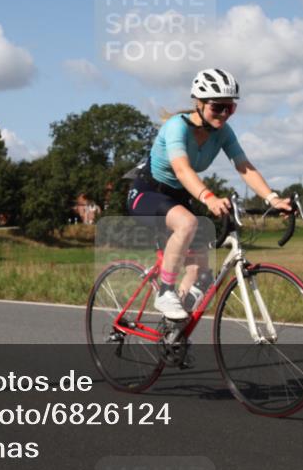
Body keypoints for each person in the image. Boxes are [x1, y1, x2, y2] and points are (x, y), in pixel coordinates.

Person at [126, 68, 294, 319]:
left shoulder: (223, 132)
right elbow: (182, 170)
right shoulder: (176, 127)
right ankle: (164, 291)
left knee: (200, 272)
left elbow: (244, 166)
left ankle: (174, 332)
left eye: (230, 108)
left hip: (180, 197)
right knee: (188, 222)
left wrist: (272, 198)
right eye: (218, 107)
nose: (225, 114)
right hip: (147, 192)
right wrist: (208, 197)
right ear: (199, 103)